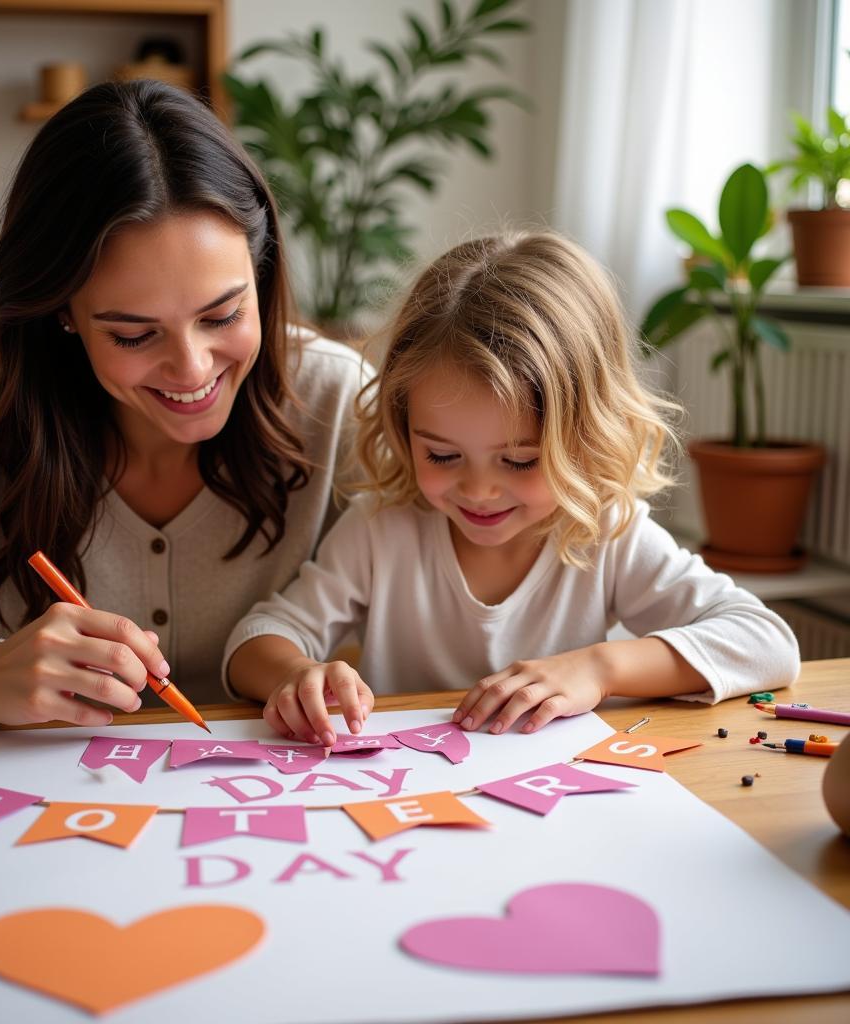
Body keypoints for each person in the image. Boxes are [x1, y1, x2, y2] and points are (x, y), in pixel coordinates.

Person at [0, 81, 366, 739]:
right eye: (133, 334)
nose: (193, 369)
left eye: (223, 314)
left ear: (262, 272)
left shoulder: (339, 402)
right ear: (63, 314)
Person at [224, 230, 801, 746]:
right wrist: (295, 674)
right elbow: (258, 637)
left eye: (522, 461)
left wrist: (598, 669)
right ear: (403, 428)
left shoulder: (605, 529)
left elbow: (766, 641)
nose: (478, 489)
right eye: (442, 455)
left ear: (585, 437)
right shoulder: (383, 528)